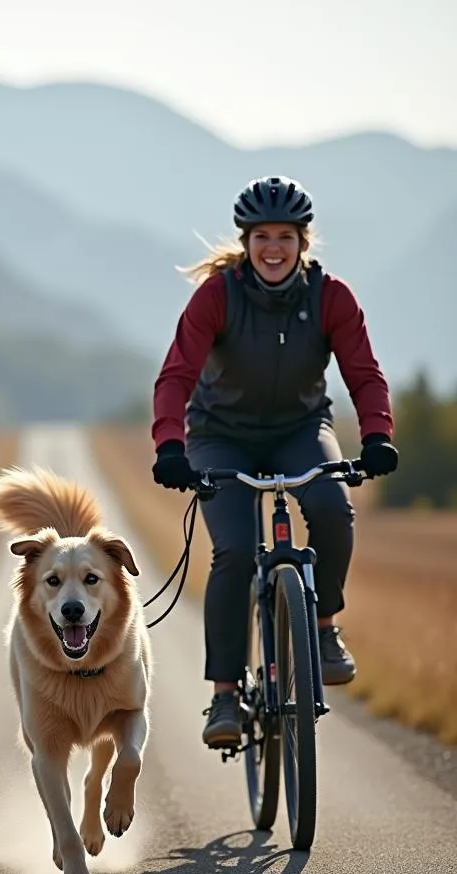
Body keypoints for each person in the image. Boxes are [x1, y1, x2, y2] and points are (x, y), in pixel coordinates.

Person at [149, 174, 399, 749]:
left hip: (299, 430)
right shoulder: (216, 296)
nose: (273, 248)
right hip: (220, 435)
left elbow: (363, 374)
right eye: (262, 236)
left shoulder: (331, 297)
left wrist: (378, 434)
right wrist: (170, 447)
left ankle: (324, 626)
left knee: (334, 509)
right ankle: (224, 696)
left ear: (303, 242)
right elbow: (176, 375)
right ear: (246, 241)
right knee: (235, 552)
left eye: (285, 236)